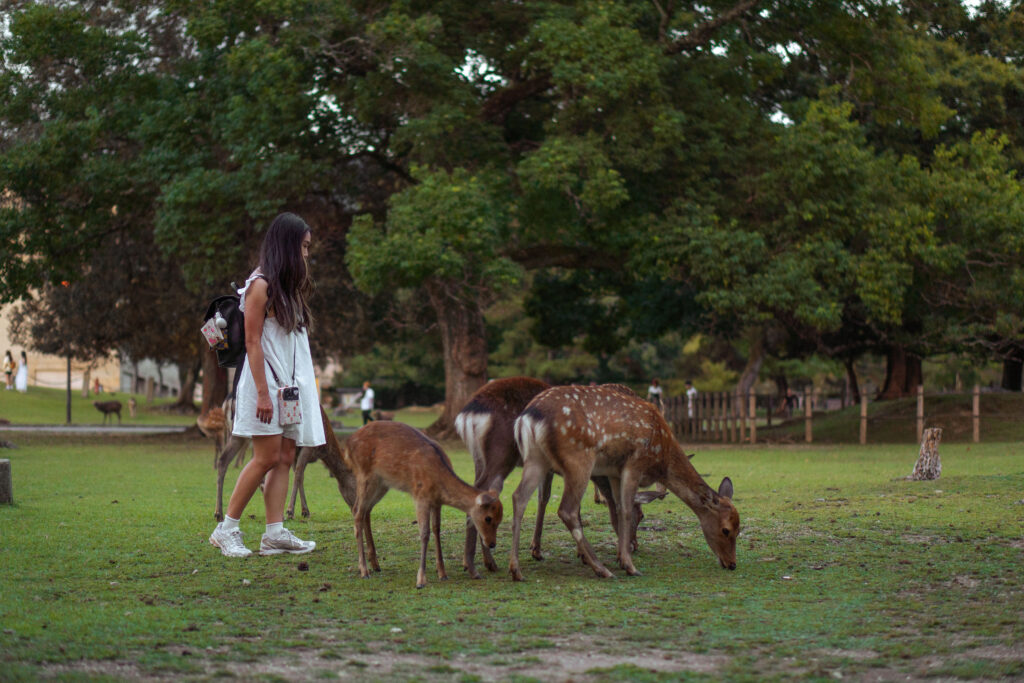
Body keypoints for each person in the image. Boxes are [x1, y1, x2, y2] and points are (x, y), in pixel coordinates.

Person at [209, 213, 326, 558]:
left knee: (286, 456)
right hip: (264, 388)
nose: (306, 254)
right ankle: (225, 528)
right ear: (288, 245)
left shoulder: (286, 289)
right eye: (303, 247)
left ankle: (274, 533)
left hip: (288, 389)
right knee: (266, 457)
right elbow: (253, 342)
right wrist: (262, 392)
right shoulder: (259, 286)